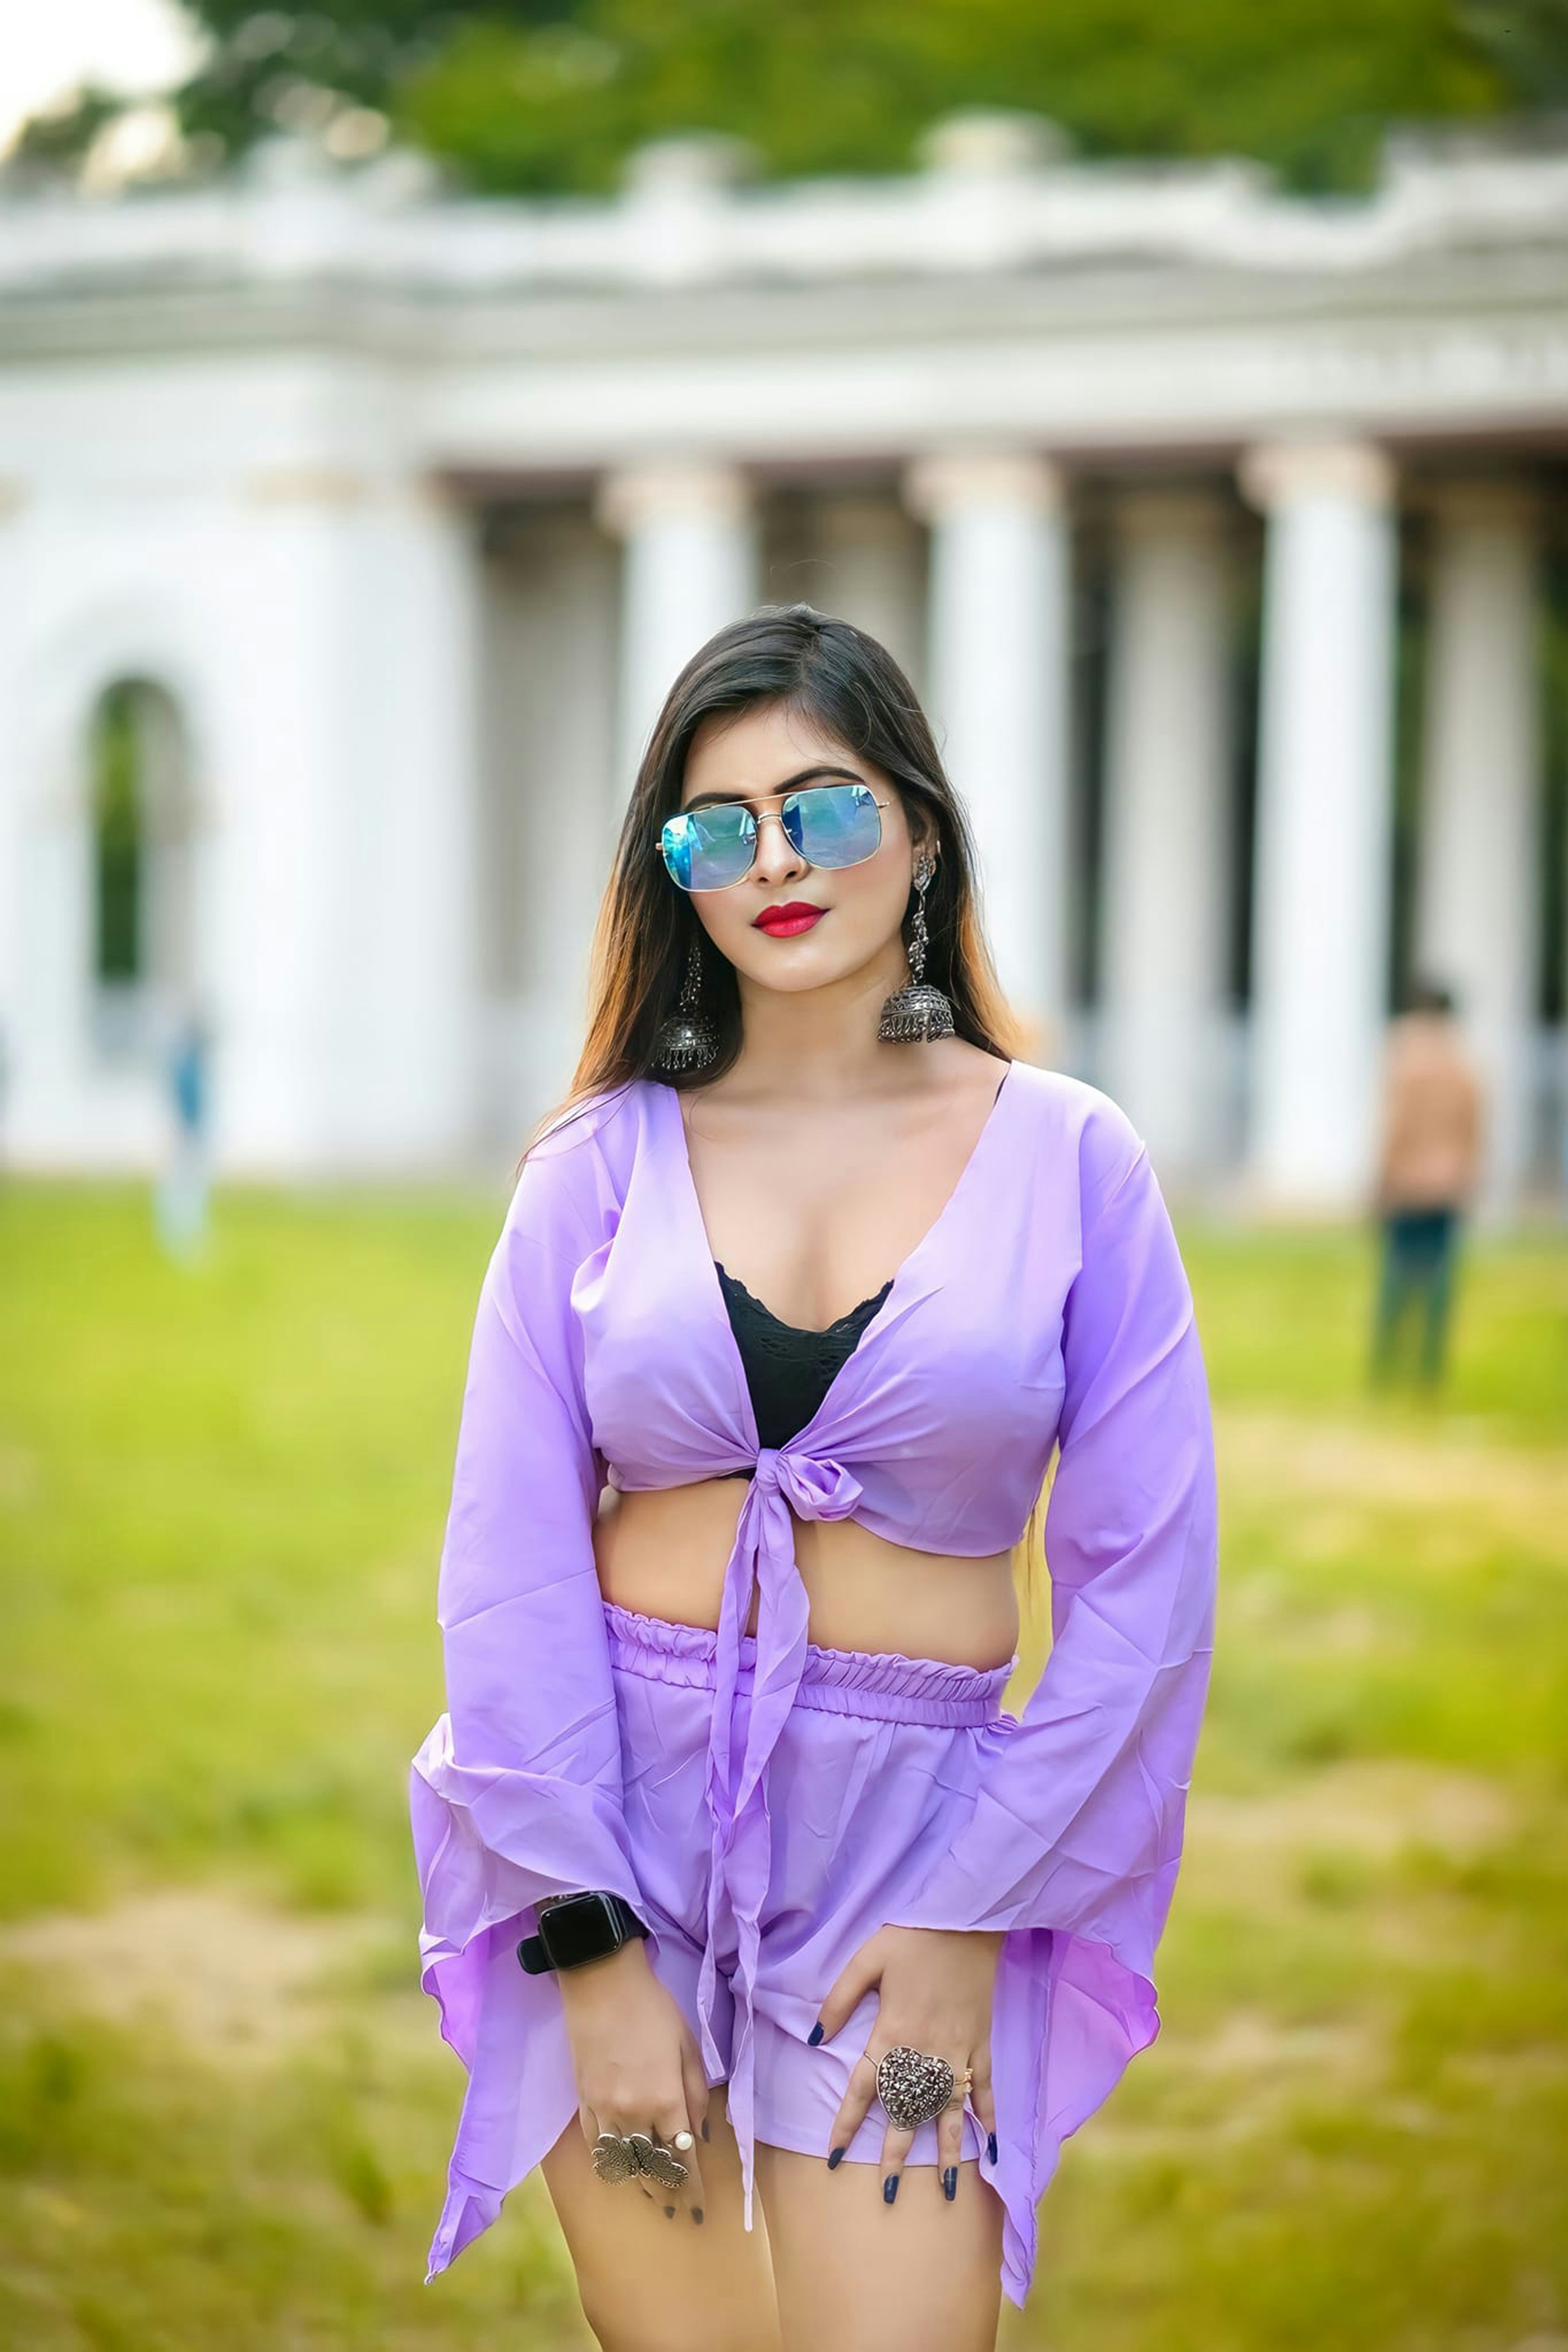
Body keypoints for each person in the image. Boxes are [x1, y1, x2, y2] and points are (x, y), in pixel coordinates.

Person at [409, 604, 1219, 2347]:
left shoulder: (1072, 1157)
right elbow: (507, 1567)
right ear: (674, 875)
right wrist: (589, 1939)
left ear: (917, 828)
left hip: (918, 1854)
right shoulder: (592, 1165)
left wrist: (963, 1911)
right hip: (611, 1824)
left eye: (828, 806)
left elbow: (1144, 1597)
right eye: (719, 827)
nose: (777, 857)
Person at [1369, 976, 1485, 1392]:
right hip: (1448, 1184)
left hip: (1407, 1181)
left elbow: (1395, 1127)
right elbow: (1474, 1130)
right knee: (1439, 1279)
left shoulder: (1405, 1058)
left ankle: (1388, 1364)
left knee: (1397, 1277)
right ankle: (1428, 1370)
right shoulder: (1464, 1064)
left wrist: (1380, 1179)